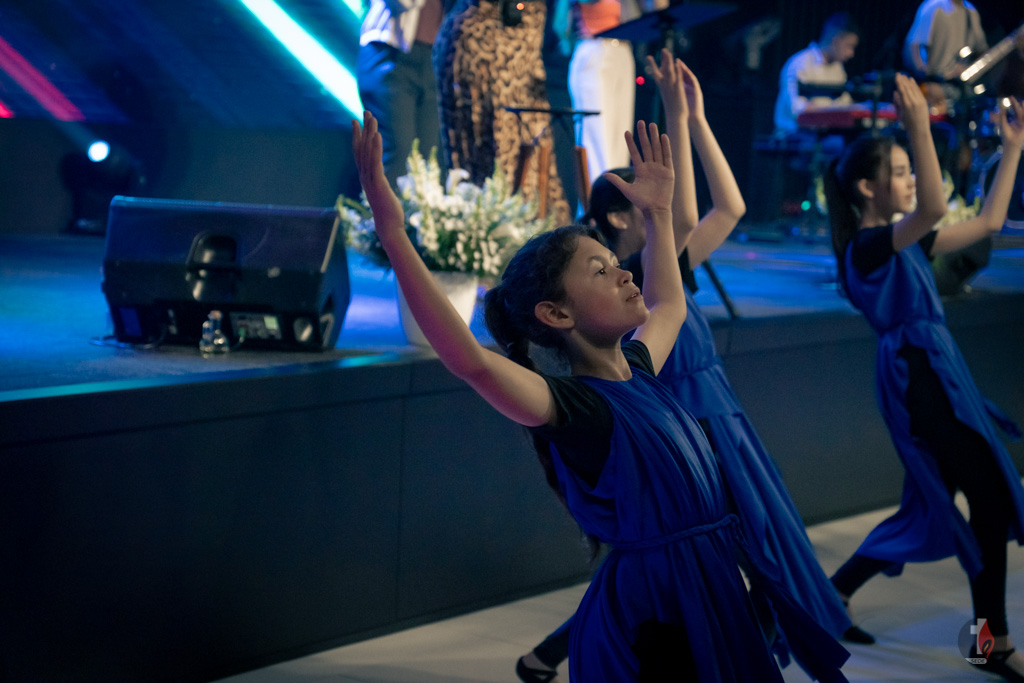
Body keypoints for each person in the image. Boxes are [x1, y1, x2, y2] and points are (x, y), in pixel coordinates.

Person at [351, 104, 849, 679]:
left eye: (616, 263)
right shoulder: (578, 408)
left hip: (708, 580)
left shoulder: (639, 368)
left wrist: (659, 214)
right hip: (660, 610)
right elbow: (471, 362)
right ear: (556, 314)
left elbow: (669, 303)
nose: (624, 273)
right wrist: (394, 235)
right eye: (600, 271)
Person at [516, 50, 853, 683]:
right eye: (637, 196)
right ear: (618, 215)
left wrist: (689, 116)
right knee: (685, 558)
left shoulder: (657, 273)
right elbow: (695, 220)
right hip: (679, 429)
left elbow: (724, 209)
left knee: (719, 552)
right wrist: (676, 119)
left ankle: (755, 636)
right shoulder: (624, 289)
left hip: (711, 418)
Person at [823, 72, 1024, 682]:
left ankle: (832, 595)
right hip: (919, 379)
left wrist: (1013, 148)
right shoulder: (867, 248)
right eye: (901, 170)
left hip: (936, 370)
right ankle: (990, 642)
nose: (912, 178)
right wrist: (917, 125)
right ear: (867, 187)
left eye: (912, 168)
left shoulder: (904, 241)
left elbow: (988, 222)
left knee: (936, 509)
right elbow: (933, 207)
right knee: (987, 500)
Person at [433, 0, 571, 225]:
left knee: (529, 145)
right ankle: (490, 232)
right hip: (476, 32)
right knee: (484, 150)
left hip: (523, 28)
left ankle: (526, 228)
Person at [554, 0, 665, 188]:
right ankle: (597, 203)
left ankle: (617, 200)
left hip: (622, 51)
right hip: (593, 49)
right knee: (596, 138)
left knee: (621, 141)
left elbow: (659, 7)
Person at [357, 0, 445, 187]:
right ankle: (381, 207)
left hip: (433, 59)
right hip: (389, 54)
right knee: (398, 152)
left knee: (428, 159)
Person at [773, 12, 861, 136]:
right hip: (794, 135)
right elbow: (797, 109)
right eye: (849, 46)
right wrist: (831, 114)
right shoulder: (800, 63)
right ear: (835, 40)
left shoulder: (838, 69)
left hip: (824, 135)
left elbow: (844, 105)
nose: (851, 54)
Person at [903, 0, 988, 113]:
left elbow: (981, 49)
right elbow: (913, 44)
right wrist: (925, 77)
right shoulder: (934, 6)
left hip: (961, 87)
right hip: (936, 84)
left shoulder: (971, 11)